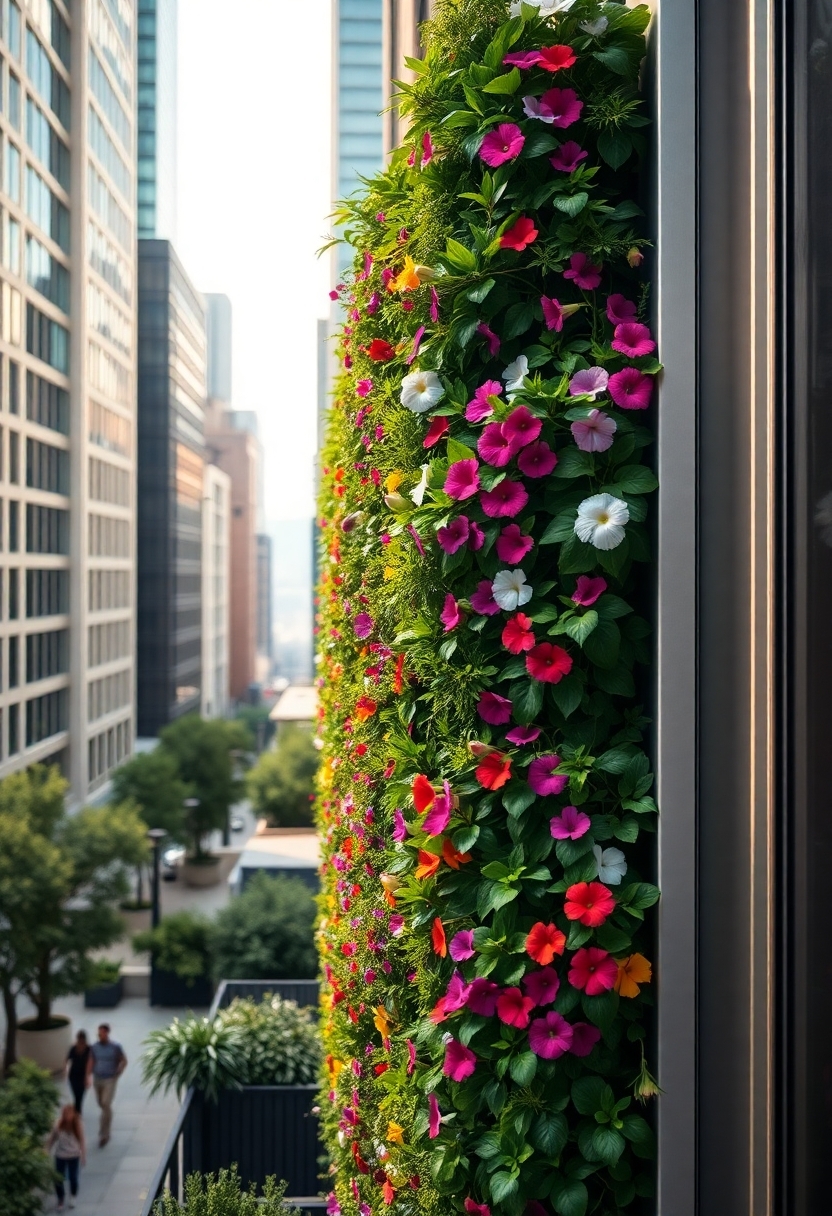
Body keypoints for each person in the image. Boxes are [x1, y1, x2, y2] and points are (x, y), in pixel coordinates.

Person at [90, 1022, 127, 1147]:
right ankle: (108, 1117)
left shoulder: (115, 1047)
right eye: (99, 1033)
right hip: (97, 1078)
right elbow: (92, 1060)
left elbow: (123, 1060)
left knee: (105, 1103)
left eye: (102, 1033)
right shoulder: (94, 1047)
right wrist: (87, 1075)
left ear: (107, 1033)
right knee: (101, 1104)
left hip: (110, 1079)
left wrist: (118, 1072)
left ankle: (104, 1133)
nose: (100, 1035)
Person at [47, 1103, 85, 1211]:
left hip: (74, 1155)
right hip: (60, 1155)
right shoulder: (58, 1124)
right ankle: (61, 1199)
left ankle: (73, 1196)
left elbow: (82, 1140)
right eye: (65, 1114)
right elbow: (52, 1139)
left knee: (73, 1178)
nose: (68, 1117)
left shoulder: (78, 1125)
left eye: (70, 1114)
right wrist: (46, 1150)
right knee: (58, 1178)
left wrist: (83, 1155)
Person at [65, 1030, 92, 1113]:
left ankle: (77, 1113)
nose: (80, 1041)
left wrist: (88, 1077)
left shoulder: (89, 1049)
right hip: (73, 1075)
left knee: (80, 1096)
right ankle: (77, 1113)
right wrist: (66, 1070)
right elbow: (67, 1060)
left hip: (83, 1075)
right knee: (76, 1095)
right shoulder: (73, 1048)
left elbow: (90, 1062)